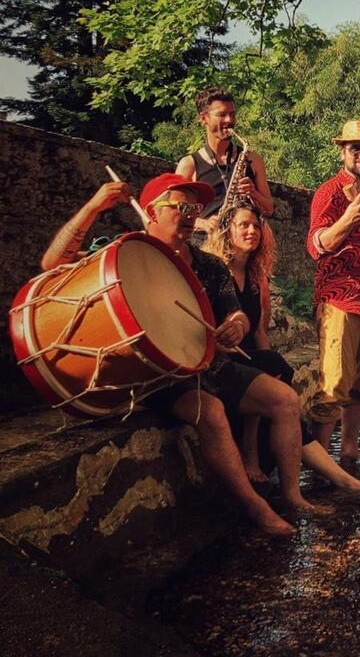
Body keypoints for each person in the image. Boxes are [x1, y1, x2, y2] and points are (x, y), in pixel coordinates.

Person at [41, 173, 327, 536]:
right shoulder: (122, 251)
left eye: (193, 207)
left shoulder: (208, 265)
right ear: (150, 213)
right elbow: (52, 264)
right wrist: (94, 206)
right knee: (212, 411)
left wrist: (237, 325)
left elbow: (234, 312)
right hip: (156, 374)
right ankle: (255, 507)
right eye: (178, 206)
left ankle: (291, 495)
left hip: (211, 363)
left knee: (285, 399)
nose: (189, 214)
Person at [202, 202, 360, 495]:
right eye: (244, 225)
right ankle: (270, 460)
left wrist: (265, 365)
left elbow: (260, 332)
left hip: (249, 357)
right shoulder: (214, 270)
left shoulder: (257, 276)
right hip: (220, 360)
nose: (253, 231)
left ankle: (337, 478)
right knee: (273, 369)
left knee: (276, 371)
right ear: (228, 230)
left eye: (257, 225)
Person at [306, 120, 360, 462]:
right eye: (355, 148)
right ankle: (321, 462)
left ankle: (349, 453)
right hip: (339, 300)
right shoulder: (328, 192)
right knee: (333, 386)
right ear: (342, 151)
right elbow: (316, 247)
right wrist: (348, 218)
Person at [175, 86, 274, 237]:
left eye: (232, 115)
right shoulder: (189, 164)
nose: (229, 120)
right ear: (203, 118)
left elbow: (269, 209)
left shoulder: (253, 160)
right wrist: (204, 223)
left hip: (242, 247)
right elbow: (175, 210)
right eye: (222, 115)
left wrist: (253, 193)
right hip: (206, 247)